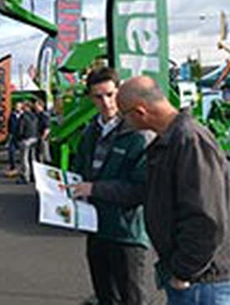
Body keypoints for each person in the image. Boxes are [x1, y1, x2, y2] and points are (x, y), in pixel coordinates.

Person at [117, 76, 230, 304]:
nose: (123, 122)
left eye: (123, 115)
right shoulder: (173, 140)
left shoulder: (189, 140)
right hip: (193, 277)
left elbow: (206, 219)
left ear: (140, 112)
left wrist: (183, 272)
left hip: (201, 282)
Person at [69, 68, 150, 305]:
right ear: (90, 98)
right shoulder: (89, 132)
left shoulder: (138, 133)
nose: (106, 102)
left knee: (132, 299)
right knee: (105, 297)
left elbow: (141, 190)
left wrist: (94, 189)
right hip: (95, 228)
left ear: (120, 92)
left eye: (110, 94)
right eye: (98, 97)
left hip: (126, 233)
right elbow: (80, 171)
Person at [15, 100, 38, 183]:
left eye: (23, 106)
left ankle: (25, 177)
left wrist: (18, 138)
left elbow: (20, 128)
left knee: (24, 159)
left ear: (26, 107)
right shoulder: (34, 116)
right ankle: (34, 176)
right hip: (34, 138)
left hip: (25, 139)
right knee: (32, 158)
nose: (22, 107)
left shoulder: (23, 116)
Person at [7, 101, 23, 174]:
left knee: (23, 154)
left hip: (22, 136)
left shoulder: (24, 115)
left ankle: (24, 169)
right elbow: (9, 124)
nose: (17, 108)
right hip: (13, 136)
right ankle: (13, 167)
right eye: (16, 106)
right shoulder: (12, 115)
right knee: (11, 151)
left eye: (19, 106)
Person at [33, 99, 51, 164]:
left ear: (41, 106)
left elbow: (47, 128)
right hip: (38, 136)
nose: (35, 108)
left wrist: (43, 137)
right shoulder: (36, 115)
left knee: (44, 155)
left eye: (36, 106)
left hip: (43, 137)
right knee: (38, 154)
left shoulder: (44, 115)